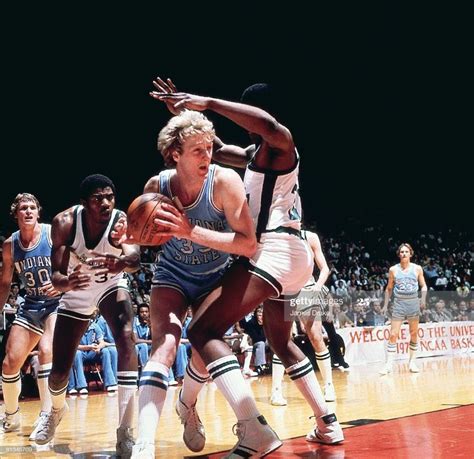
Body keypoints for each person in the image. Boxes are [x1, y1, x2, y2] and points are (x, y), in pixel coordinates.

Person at [151, 80, 344, 455]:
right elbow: (217, 150)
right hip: (293, 257)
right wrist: (187, 117)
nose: (243, 124)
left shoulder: (281, 144)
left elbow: (268, 126)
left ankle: (249, 429)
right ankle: (327, 423)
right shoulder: (256, 155)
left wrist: (207, 101)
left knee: (204, 329)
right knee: (281, 342)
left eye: (246, 115)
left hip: (273, 250)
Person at [115, 110, 261, 458]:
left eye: (209, 148)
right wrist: (128, 244)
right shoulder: (157, 187)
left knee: (203, 352)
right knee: (164, 346)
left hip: (216, 276)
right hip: (173, 275)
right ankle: (145, 445)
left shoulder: (225, 181)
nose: (207, 156)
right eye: (198, 150)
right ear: (175, 153)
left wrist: (188, 230)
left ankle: (187, 405)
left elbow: (248, 244)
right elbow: (137, 239)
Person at [34, 174, 140, 458]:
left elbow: (135, 260)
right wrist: (68, 283)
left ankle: (126, 431)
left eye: (110, 196)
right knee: (58, 373)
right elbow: (55, 277)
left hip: (110, 283)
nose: (105, 203)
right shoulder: (64, 223)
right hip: (76, 289)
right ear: (84, 203)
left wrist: (121, 263)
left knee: (127, 336)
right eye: (98, 199)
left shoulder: (121, 221)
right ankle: (56, 409)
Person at [0, 193, 60, 440]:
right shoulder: (10, 246)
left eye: (32, 207)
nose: (28, 211)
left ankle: (47, 416)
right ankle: (12, 416)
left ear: (38, 212)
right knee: (9, 362)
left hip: (58, 302)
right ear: (16, 214)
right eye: (23, 208)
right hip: (32, 303)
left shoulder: (52, 233)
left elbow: (75, 261)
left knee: (47, 350)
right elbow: (5, 283)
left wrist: (63, 283)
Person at [270, 229, 337, 405]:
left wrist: (317, 287)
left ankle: (329, 385)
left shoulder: (310, 237)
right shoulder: (277, 236)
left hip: (307, 289)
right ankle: (276, 391)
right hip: (285, 289)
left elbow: (324, 269)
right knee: (282, 340)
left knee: (316, 337)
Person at [380, 243, 427, 375]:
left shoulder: (417, 269)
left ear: (410, 254)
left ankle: (412, 362)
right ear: (399, 254)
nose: (404, 254)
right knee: (393, 334)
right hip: (399, 303)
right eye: (402, 252)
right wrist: (385, 304)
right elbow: (389, 288)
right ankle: (388, 364)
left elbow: (423, 286)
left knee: (413, 333)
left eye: (406, 251)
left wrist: (422, 299)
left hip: (413, 303)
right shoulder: (393, 270)